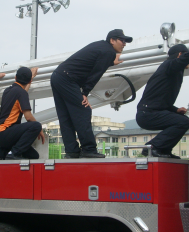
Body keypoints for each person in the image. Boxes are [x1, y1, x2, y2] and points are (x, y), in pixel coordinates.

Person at [50, 29, 132, 159]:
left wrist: (110, 61)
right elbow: (96, 74)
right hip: (68, 79)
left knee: (65, 116)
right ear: (112, 40)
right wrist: (85, 93)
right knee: (84, 109)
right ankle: (89, 149)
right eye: (122, 40)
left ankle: (72, 151)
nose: (124, 44)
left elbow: (91, 62)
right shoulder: (109, 51)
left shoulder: (101, 46)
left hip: (57, 76)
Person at [136, 36, 189, 158]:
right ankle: (152, 147)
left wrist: (175, 110)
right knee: (182, 122)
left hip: (150, 111)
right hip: (148, 114)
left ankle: (164, 150)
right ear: (179, 55)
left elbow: (160, 100)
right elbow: (181, 61)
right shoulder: (168, 65)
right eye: (185, 57)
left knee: (179, 119)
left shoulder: (172, 73)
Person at [0, 67, 45, 160]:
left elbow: (23, 92)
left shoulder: (7, 91)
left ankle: (1, 151)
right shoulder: (21, 93)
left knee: (33, 156)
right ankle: (13, 153)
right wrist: (39, 129)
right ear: (30, 81)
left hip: (0, 135)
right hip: (6, 133)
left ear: (15, 77)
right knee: (35, 125)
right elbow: (28, 117)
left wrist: (31, 77)